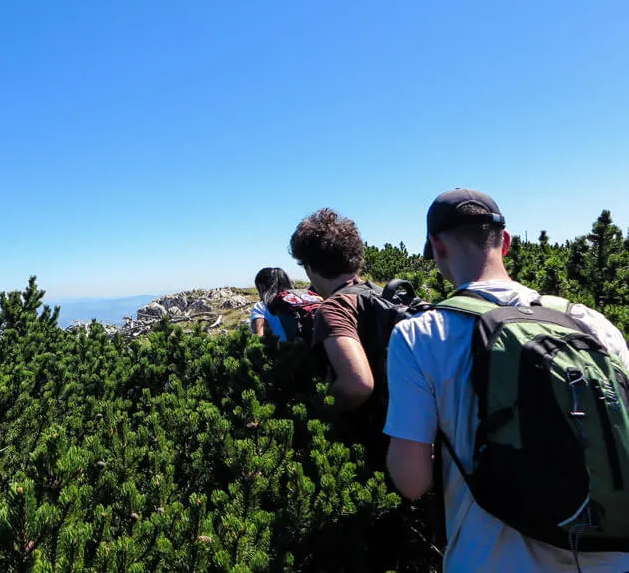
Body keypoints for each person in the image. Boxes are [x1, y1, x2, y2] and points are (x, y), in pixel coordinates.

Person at [385, 188, 629, 572]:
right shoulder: (593, 323)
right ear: (507, 242)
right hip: (611, 557)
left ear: (437, 246)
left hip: (490, 560)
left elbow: (412, 481)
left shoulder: (420, 335)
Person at [289, 208, 394, 467]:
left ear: (310, 267)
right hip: (414, 438)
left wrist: (319, 406)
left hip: (372, 448)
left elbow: (357, 384)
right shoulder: (386, 295)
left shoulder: (335, 307)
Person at [250, 267, 294, 340]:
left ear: (262, 286)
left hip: (283, 350)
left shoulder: (261, 307)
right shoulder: (302, 300)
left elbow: (258, 339)